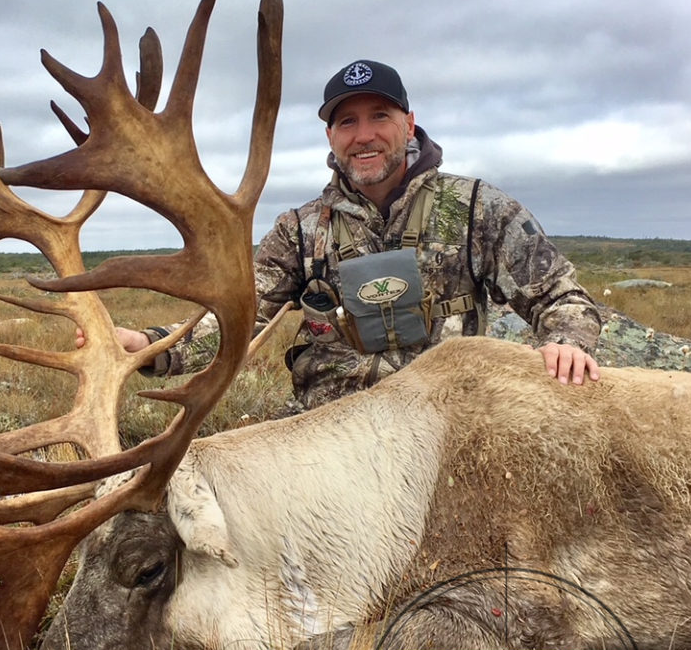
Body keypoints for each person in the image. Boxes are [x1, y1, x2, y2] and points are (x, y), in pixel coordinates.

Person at [108, 59, 602, 410]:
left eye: (379, 117)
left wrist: (565, 341)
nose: (363, 135)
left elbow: (561, 296)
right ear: (330, 136)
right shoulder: (300, 231)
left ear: (409, 125)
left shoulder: (479, 210)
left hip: (444, 427)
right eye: (347, 122)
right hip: (328, 429)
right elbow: (238, 316)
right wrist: (149, 345)